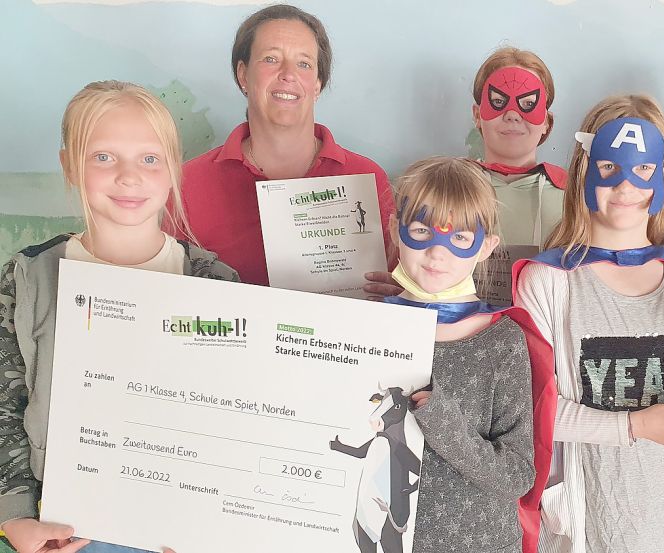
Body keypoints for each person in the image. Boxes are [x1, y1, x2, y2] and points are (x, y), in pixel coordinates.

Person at [0, 80, 238, 553]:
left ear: (173, 169)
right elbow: (5, 405)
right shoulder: (27, 278)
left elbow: (240, 415)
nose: (129, 177)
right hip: (65, 532)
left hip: (184, 530)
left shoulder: (217, 283)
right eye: (103, 157)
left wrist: (213, 522)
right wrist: (14, 517)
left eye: (150, 159)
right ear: (69, 164)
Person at [514, 94, 664, 553]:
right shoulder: (548, 282)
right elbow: (533, 412)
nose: (626, 185)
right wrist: (635, 426)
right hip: (582, 526)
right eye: (610, 168)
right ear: (585, 169)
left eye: (643, 169)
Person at [381, 157, 555, 552]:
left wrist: (443, 423)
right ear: (395, 230)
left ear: (486, 247)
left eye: (459, 238)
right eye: (422, 231)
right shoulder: (368, 328)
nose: (437, 254)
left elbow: (517, 475)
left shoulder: (502, 341)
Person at [179, 4, 397, 292]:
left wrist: (396, 293)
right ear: (243, 75)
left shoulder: (367, 177)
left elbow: (398, 288)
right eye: (271, 59)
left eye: (304, 63)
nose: (288, 74)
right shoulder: (187, 182)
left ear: (318, 84)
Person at [469, 47, 567, 304]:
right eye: (498, 102)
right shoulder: (447, 187)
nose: (512, 115)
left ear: (547, 121)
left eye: (527, 104)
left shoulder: (576, 196)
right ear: (478, 115)